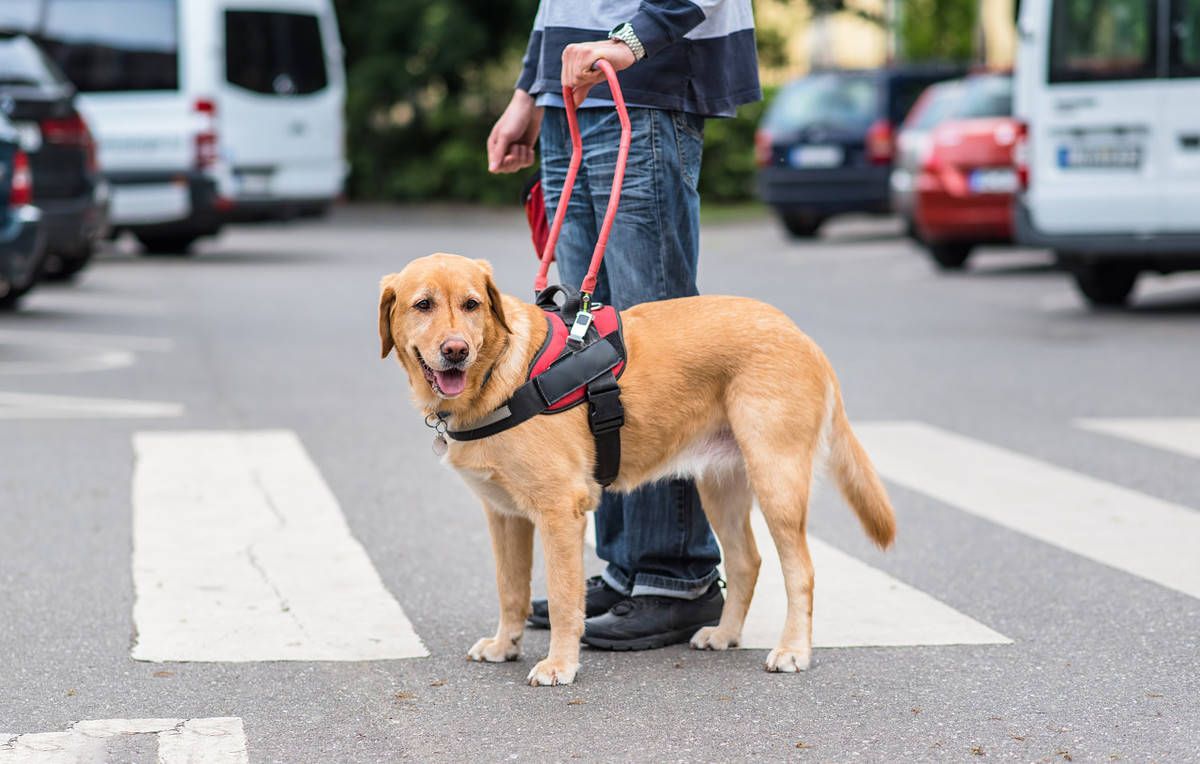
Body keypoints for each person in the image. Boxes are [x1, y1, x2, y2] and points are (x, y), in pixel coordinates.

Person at [486, 1, 761, 650]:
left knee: (658, 347)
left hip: (641, 87)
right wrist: (531, 90)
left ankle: (676, 576)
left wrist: (632, 43)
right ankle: (628, 564)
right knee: (583, 350)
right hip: (568, 96)